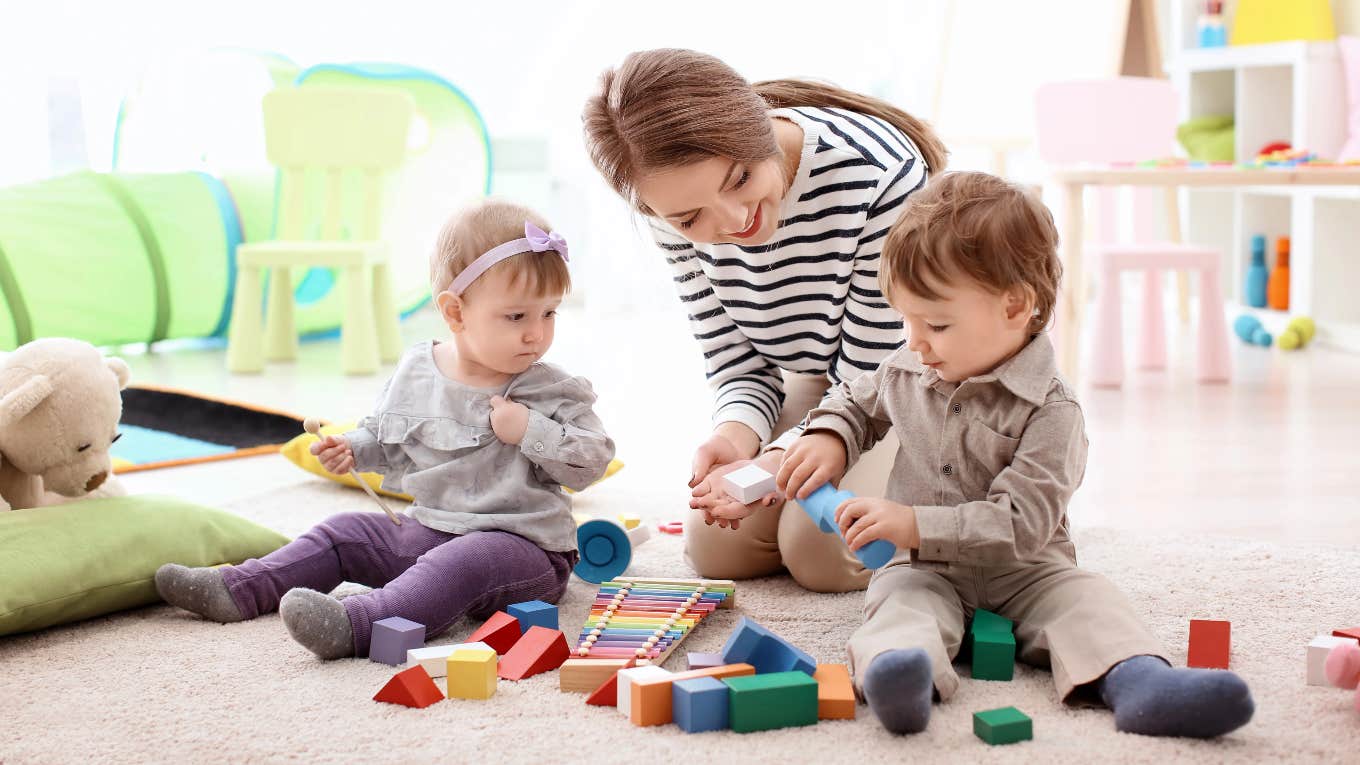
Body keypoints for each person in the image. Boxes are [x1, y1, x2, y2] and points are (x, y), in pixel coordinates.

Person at [749, 172, 1254, 737]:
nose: (914, 341)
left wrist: (913, 522)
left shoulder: (1053, 412)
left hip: (1028, 569)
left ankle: (1141, 682)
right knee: (897, 605)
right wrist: (830, 436)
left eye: (936, 324)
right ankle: (899, 675)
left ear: (1015, 307)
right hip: (924, 569)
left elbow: (1022, 524)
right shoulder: (911, 366)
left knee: (1089, 600)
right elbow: (857, 399)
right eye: (905, 321)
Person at [154, 200, 615, 659]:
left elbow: (591, 461)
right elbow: (386, 436)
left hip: (523, 551)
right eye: (517, 316)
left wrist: (530, 429)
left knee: (463, 562)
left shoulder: (550, 389)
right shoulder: (418, 370)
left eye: (549, 313)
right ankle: (239, 588)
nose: (537, 333)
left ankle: (360, 623)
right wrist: (353, 448)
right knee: (343, 532)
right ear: (455, 313)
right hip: (430, 528)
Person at [582, 48, 946, 592]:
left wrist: (775, 463)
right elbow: (737, 362)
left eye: (740, 178)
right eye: (689, 217)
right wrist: (737, 436)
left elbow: (871, 376)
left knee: (823, 551)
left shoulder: (877, 174)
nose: (733, 221)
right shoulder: (668, 215)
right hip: (823, 377)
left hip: (906, 380)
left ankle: (951, 499)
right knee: (718, 547)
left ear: (759, 131)